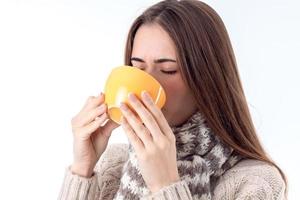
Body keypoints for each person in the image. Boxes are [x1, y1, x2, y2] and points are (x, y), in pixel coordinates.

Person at [58, 0, 287, 199]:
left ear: (207, 81)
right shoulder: (113, 163)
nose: (144, 85)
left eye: (168, 70)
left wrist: (165, 185)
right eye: (137, 67)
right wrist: (82, 168)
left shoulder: (258, 183)